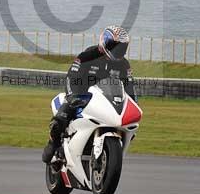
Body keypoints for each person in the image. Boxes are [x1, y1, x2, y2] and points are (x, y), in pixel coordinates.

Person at [41, 25, 136, 163]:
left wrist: (133, 105)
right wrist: (72, 96)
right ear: (105, 42)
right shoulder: (87, 56)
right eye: (115, 46)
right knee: (60, 120)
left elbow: (130, 88)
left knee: (130, 128)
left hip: (106, 100)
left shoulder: (124, 65)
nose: (118, 50)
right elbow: (71, 76)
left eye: (121, 47)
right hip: (82, 96)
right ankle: (53, 143)